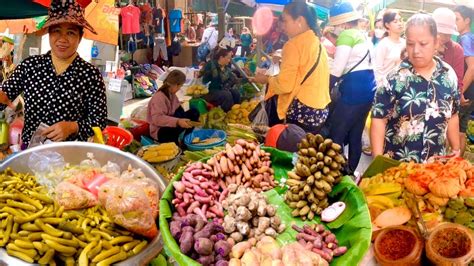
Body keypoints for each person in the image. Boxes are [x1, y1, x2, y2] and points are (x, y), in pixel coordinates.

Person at [0, 0, 106, 147]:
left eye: (70, 32)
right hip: (31, 151)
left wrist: (72, 127)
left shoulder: (91, 75)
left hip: (70, 154)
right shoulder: (30, 66)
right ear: (49, 33)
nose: (62, 39)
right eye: (56, 31)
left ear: (80, 37)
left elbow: (99, 121)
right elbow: (5, 96)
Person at [371, 13, 461, 162]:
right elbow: (379, 119)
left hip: (435, 166)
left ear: (436, 42)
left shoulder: (448, 75)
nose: (416, 51)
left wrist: (456, 148)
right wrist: (378, 159)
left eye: (423, 44)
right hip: (398, 166)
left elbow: (453, 114)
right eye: (411, 44)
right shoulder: (394, 78)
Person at [252, 2, 330, 132]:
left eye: (285, 20)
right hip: (319, 110)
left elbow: (285, 85)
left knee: (292, 150)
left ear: (299, 20)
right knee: (306, 150)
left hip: (302, 111)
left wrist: (266, 79)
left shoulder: (293, 45)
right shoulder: (316, 41)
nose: (282, 26)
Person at [327, 1, 376, 173]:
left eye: (336, 26)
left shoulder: (346, 35)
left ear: (343, 23)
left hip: (353, 92)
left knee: (335, 135)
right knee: (355, 134)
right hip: (368, 90)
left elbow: (337, 69)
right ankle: (350, 173)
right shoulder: (362, 35)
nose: (335, 29)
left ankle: (332, 173)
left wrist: (325, 91)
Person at [147, 70, 199, 144]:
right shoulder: (159, 97)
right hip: (160, 130)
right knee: (171, 132)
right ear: (176, 85)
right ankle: (176, 145)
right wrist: (177, 121)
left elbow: (178, 110)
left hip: (171, 122)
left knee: (194, 112)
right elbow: (157, 119)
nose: (179, 89)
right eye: (180, 86)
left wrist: (185, 120)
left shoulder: (172, 94)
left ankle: (186, 140)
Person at [454, 5, 474, 155]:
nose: (455, 22)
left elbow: (472, 67)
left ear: (467, 20)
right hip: (471, 91)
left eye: (457, 19)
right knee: (461, 128)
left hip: (466, 90)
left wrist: (461, 91)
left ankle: (451, 165)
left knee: (454, 128)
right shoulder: (471, 37)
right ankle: (458, 165)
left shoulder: (465, 39)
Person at [200, 47, 241, 112]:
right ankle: (225, 114)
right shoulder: (211, 65)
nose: (229, 60)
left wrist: (245, 79)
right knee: (227, 95)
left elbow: (232, 78)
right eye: (228, 58)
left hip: (221, 89)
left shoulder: (226, 66)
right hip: (209, 91)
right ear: (221, 57)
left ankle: (236, 112)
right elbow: (203, 81)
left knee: (236, 93)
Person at [374, 9, 405, 87]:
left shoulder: (405, 43)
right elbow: (378, 69)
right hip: (387, 87)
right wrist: (381, 88)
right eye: (395, 22)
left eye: (400, 20)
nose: (400, 24)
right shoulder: (384, 44)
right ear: (387, 25)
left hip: (403, 87)